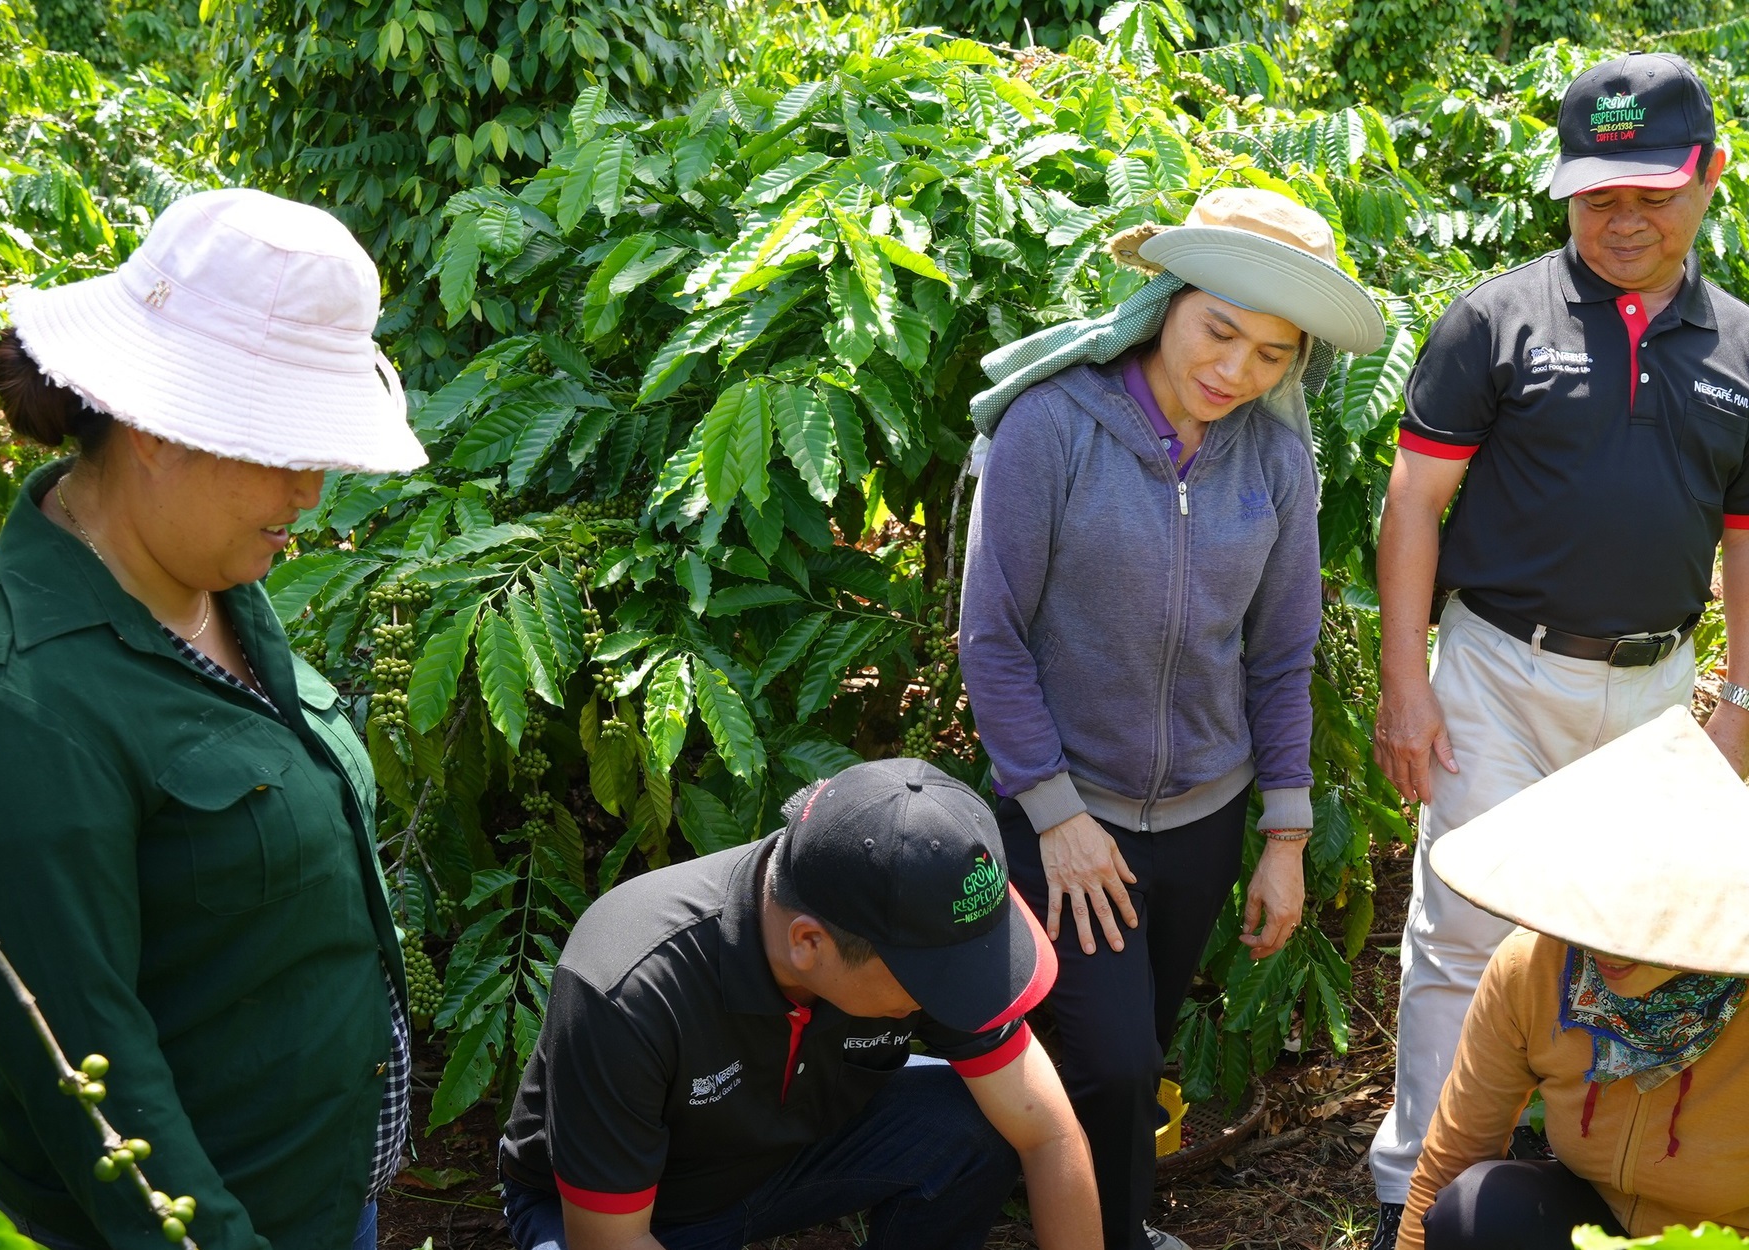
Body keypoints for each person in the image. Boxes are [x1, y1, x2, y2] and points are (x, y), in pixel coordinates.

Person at [0, 188, 428, 1250]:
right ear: (151, 424)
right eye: (280, 448)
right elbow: (92, 1080)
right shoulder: (6, 711)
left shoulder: (205, 577)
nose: (311, 491)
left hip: (316, 1187)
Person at [1368, 53, 1749, 1249]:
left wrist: (1738, 695)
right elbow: (1411, 505)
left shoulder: (1739, 345)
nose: (1622, 219)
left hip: (1653, 695)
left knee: (1644, 939)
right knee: (1464, 931)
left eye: (1649, 191)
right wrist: (1401, 687)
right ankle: (1413, 1195)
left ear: (1708, 176)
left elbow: (1743, 541)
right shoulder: (1492, 318)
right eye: (1596, 194)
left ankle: (1629, 1187)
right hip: (1494, 669)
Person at [960, 187, 1387, 1250]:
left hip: (1202, 813)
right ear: (1165, 301)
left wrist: (1282, 836)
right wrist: (1054, 814)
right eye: (1219, 330)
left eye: (1271, 354)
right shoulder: (1049, 426)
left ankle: (1111, 1221)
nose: (1233, 372)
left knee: (1137, 1044)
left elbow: (1279, 654)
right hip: (1065, 806)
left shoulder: (1276, 460)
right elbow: (993, 638)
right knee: (1105, 1052)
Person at [497, 757, 1103, 1250]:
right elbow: (611, 1241)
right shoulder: (630, 986)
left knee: (975, 1123)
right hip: (630, 1215)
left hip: (782, 1161)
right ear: (809, 943)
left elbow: (1047, 1134)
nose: (953, 998)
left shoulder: (907, 919)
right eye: (934, 981)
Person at [1398, 706, 1749, 1248]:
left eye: (1640, 919)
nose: (1605, 945)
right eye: (1594, 909)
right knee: (1476, 1207)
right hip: (1597, 1222)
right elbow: (1455, 1153)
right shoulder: (1533, 968)